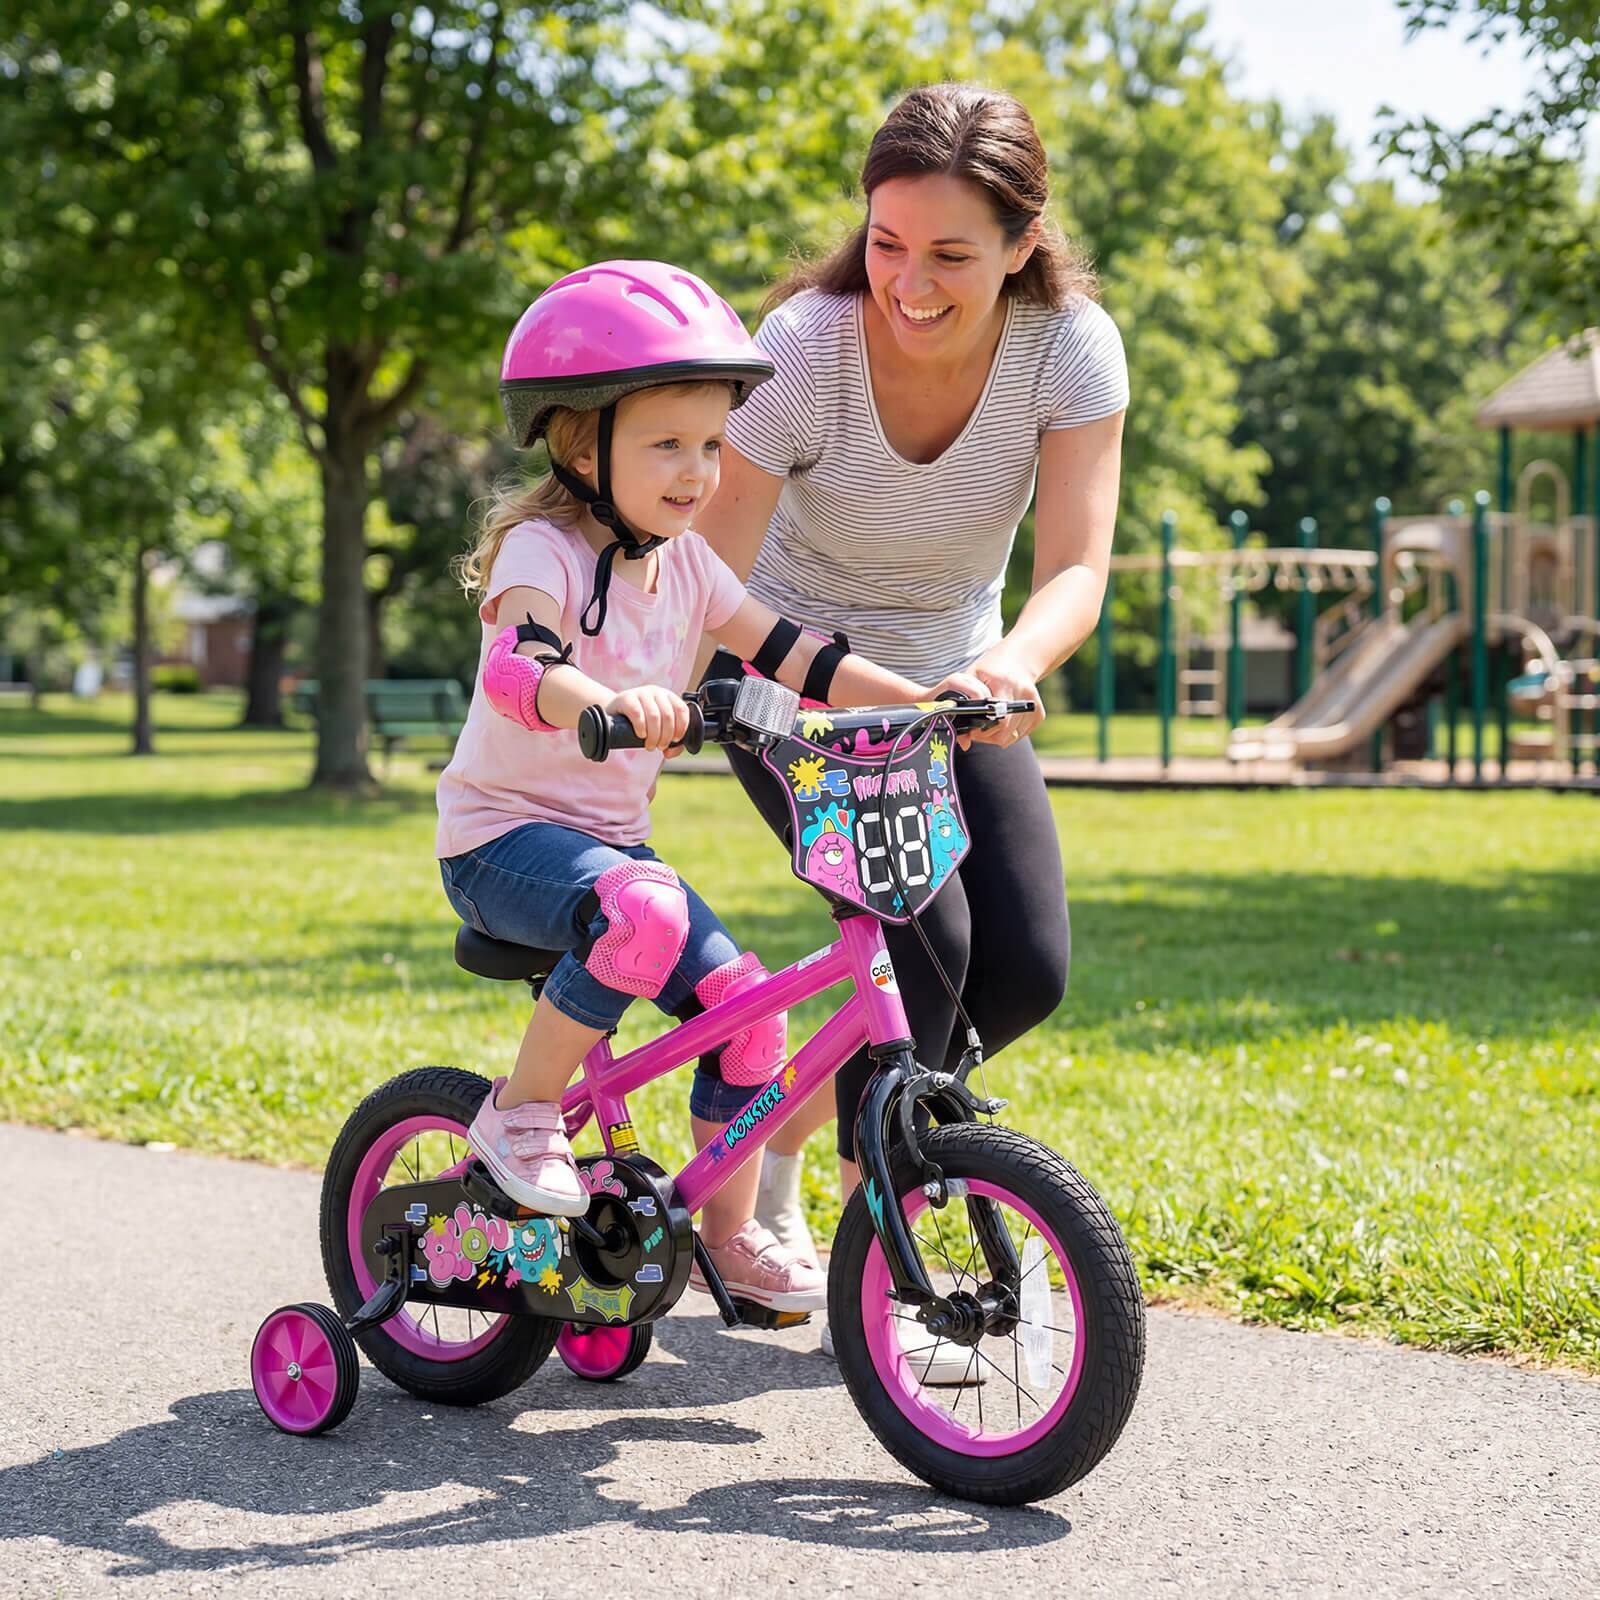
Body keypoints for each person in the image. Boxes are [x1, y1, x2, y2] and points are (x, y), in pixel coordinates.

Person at [435, 260, 980, 1314]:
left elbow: (800, 657)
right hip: (500, 841)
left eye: (712, 446)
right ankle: (521, 1113)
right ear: (582, 444)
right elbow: (518, 665)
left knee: (748, 1012)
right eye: (667, 444)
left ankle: (725, 1237)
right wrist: (597, 697)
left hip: (610, 854)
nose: (698, 472)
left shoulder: (689, 565)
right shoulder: (540, 551)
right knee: (641, 908)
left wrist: (925, 700)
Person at [695, 84, 1128, 1373]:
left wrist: (1006, 665)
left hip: (951, 685)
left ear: (1020, 240)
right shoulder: (801, 348)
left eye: (950, 252)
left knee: (1025, 969)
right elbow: (711, 575)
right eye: (888, 243)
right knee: (927, 946)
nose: (911, 282)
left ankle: (794, 1139)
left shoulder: (1069, 346)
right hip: (794, 689)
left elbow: (1078, 566)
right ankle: (887, 1253)